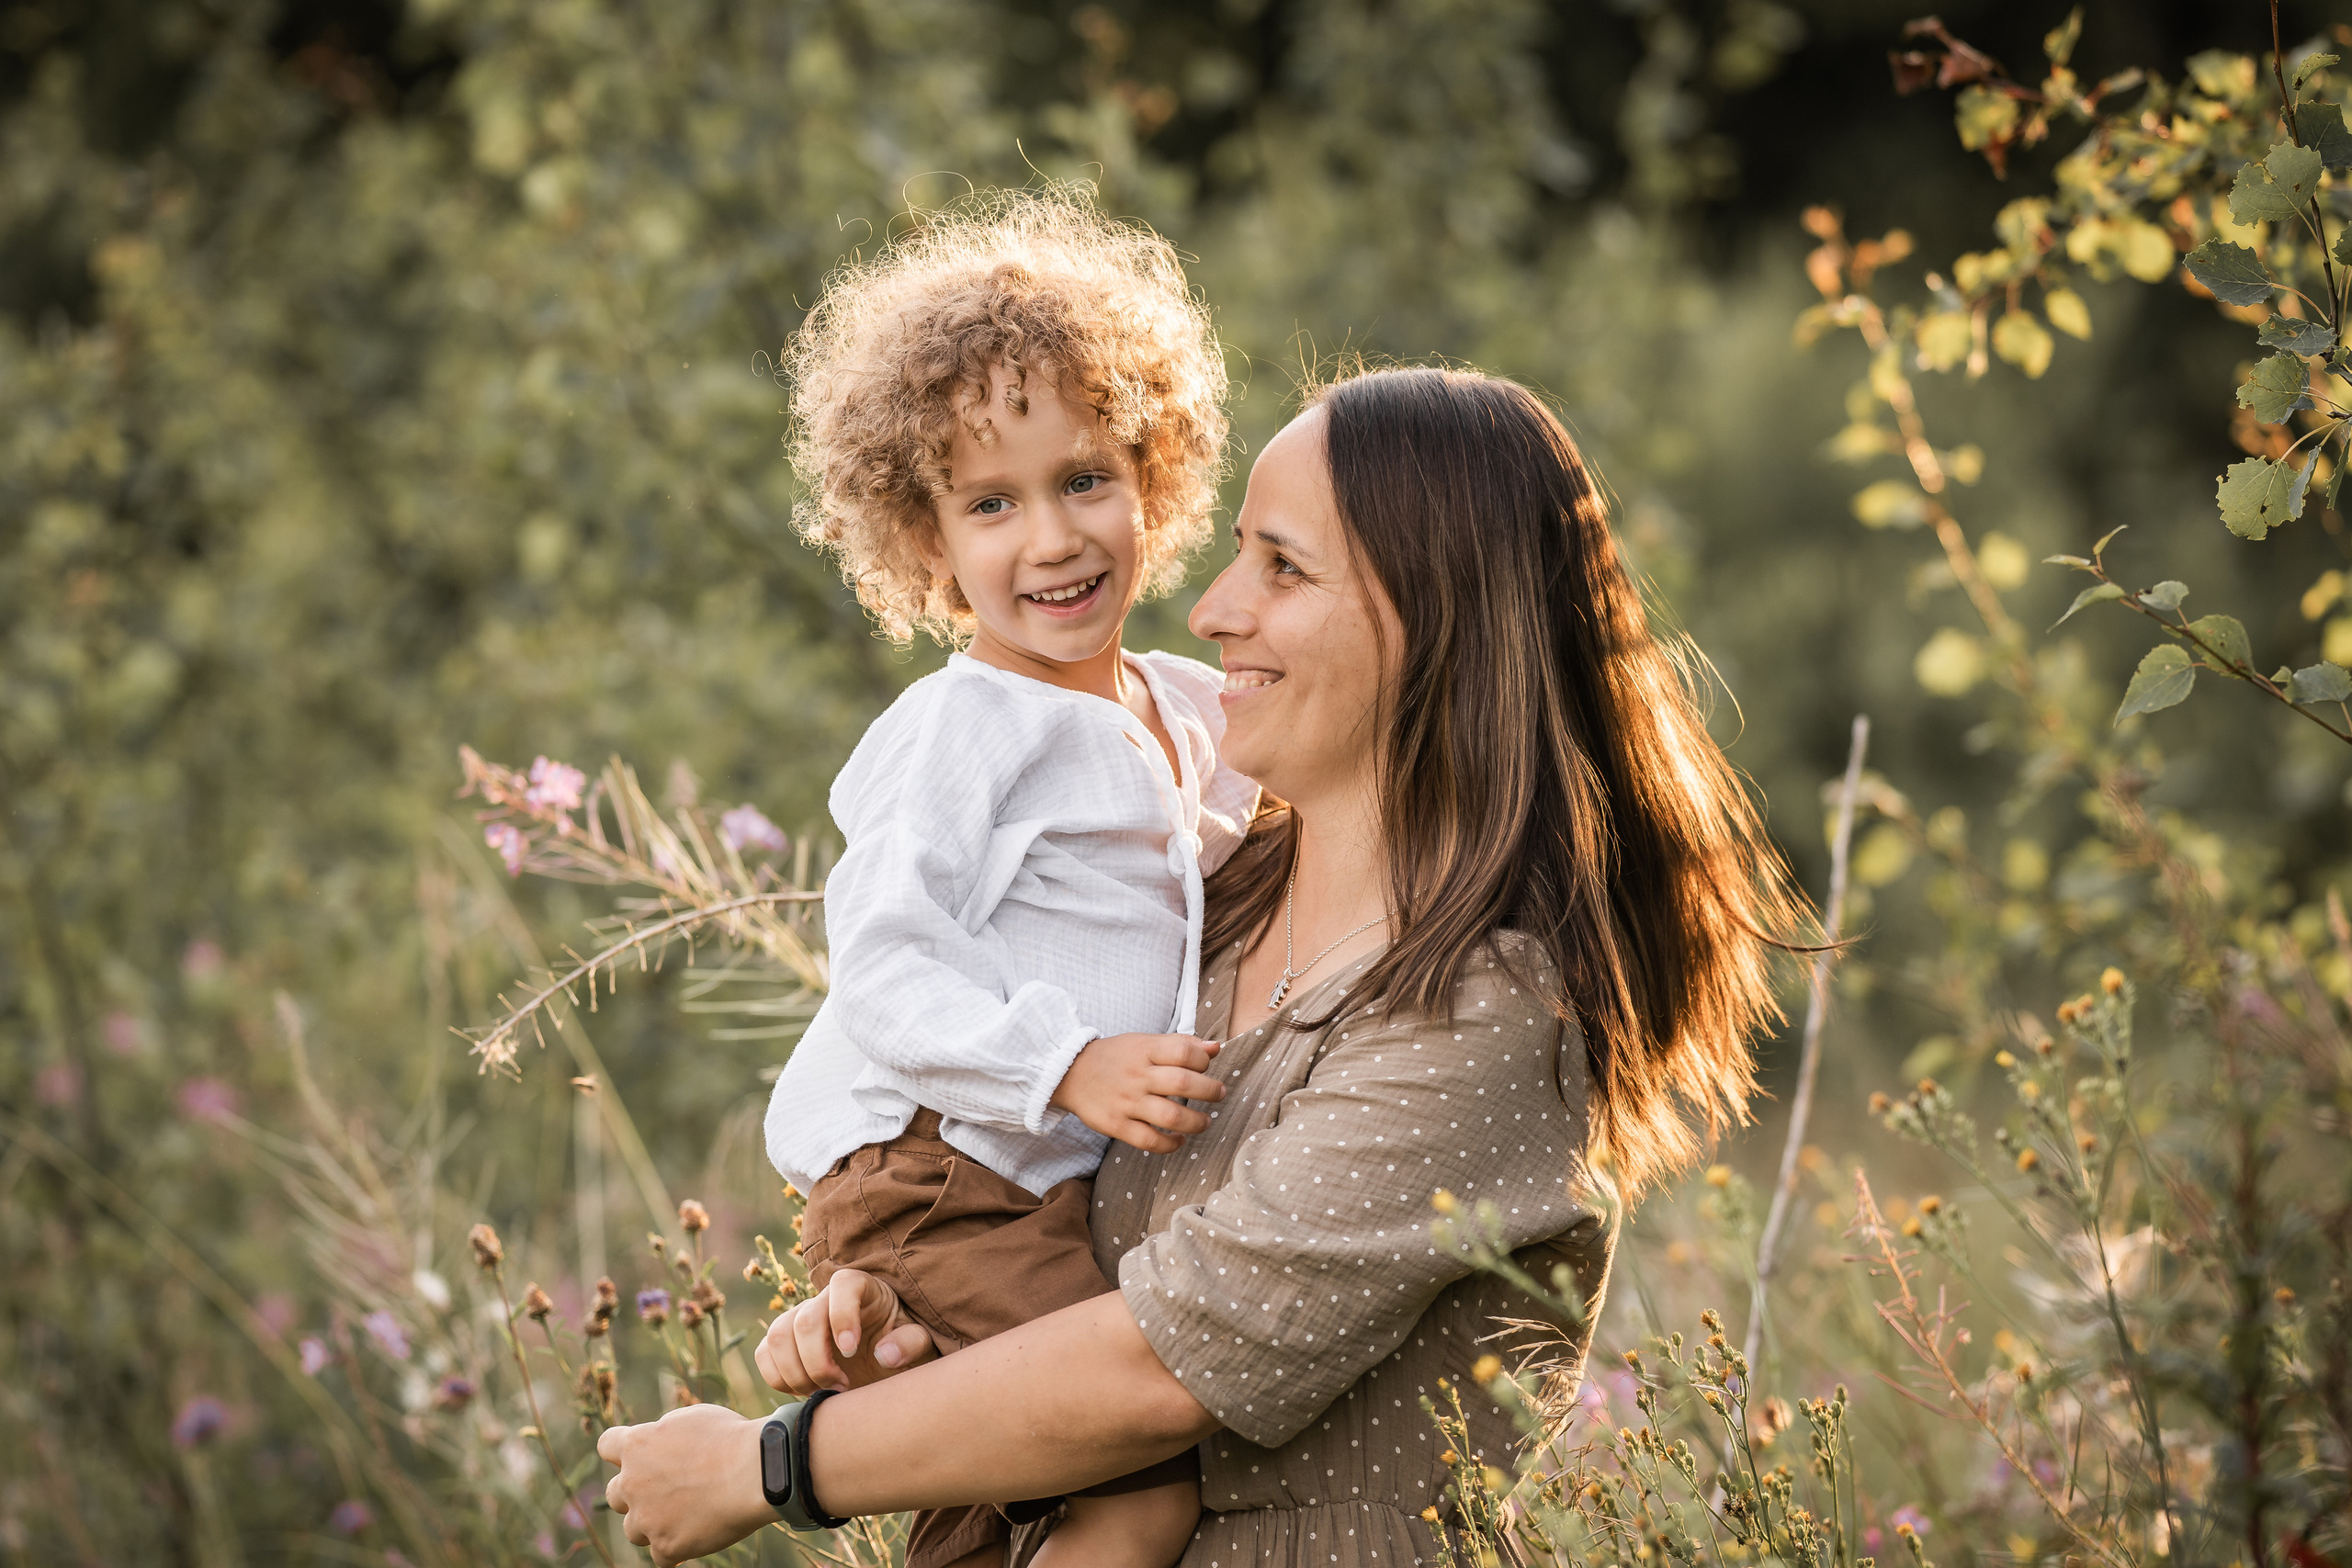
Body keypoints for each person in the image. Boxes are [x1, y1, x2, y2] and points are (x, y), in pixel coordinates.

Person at [600, 365, 1803, 1568]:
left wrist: (774, 1462)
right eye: (1237, 552)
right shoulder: (1203, 916)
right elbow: (1020, 1192)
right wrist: (900, 1310)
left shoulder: (1481, 1012)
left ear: (1431, 613)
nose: (1217, 606)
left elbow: (1154, 1369)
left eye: (1282, 567)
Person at [760, 190, 1255, 1568]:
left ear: (1155, 478)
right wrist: (1068, 1066)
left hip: (1021, 1181)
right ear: (927, 547)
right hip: (944, 1165)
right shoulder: (960, 727)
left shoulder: (1187, 705)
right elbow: (884, 968)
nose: (1053, 539)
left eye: (1085, 478)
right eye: (992, 504)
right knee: (1135, 1482)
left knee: (985, 1508)